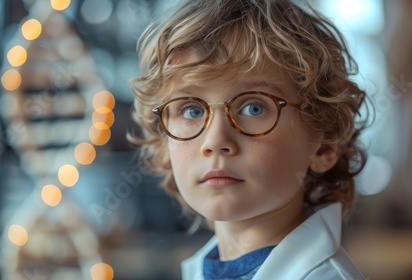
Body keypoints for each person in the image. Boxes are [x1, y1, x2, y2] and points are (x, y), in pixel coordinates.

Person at [129, 0, 372, 279]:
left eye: (254, 108)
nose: (216, 140)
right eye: (192, 110)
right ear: (163, 144)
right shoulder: (203, 269)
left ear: (325, 143)